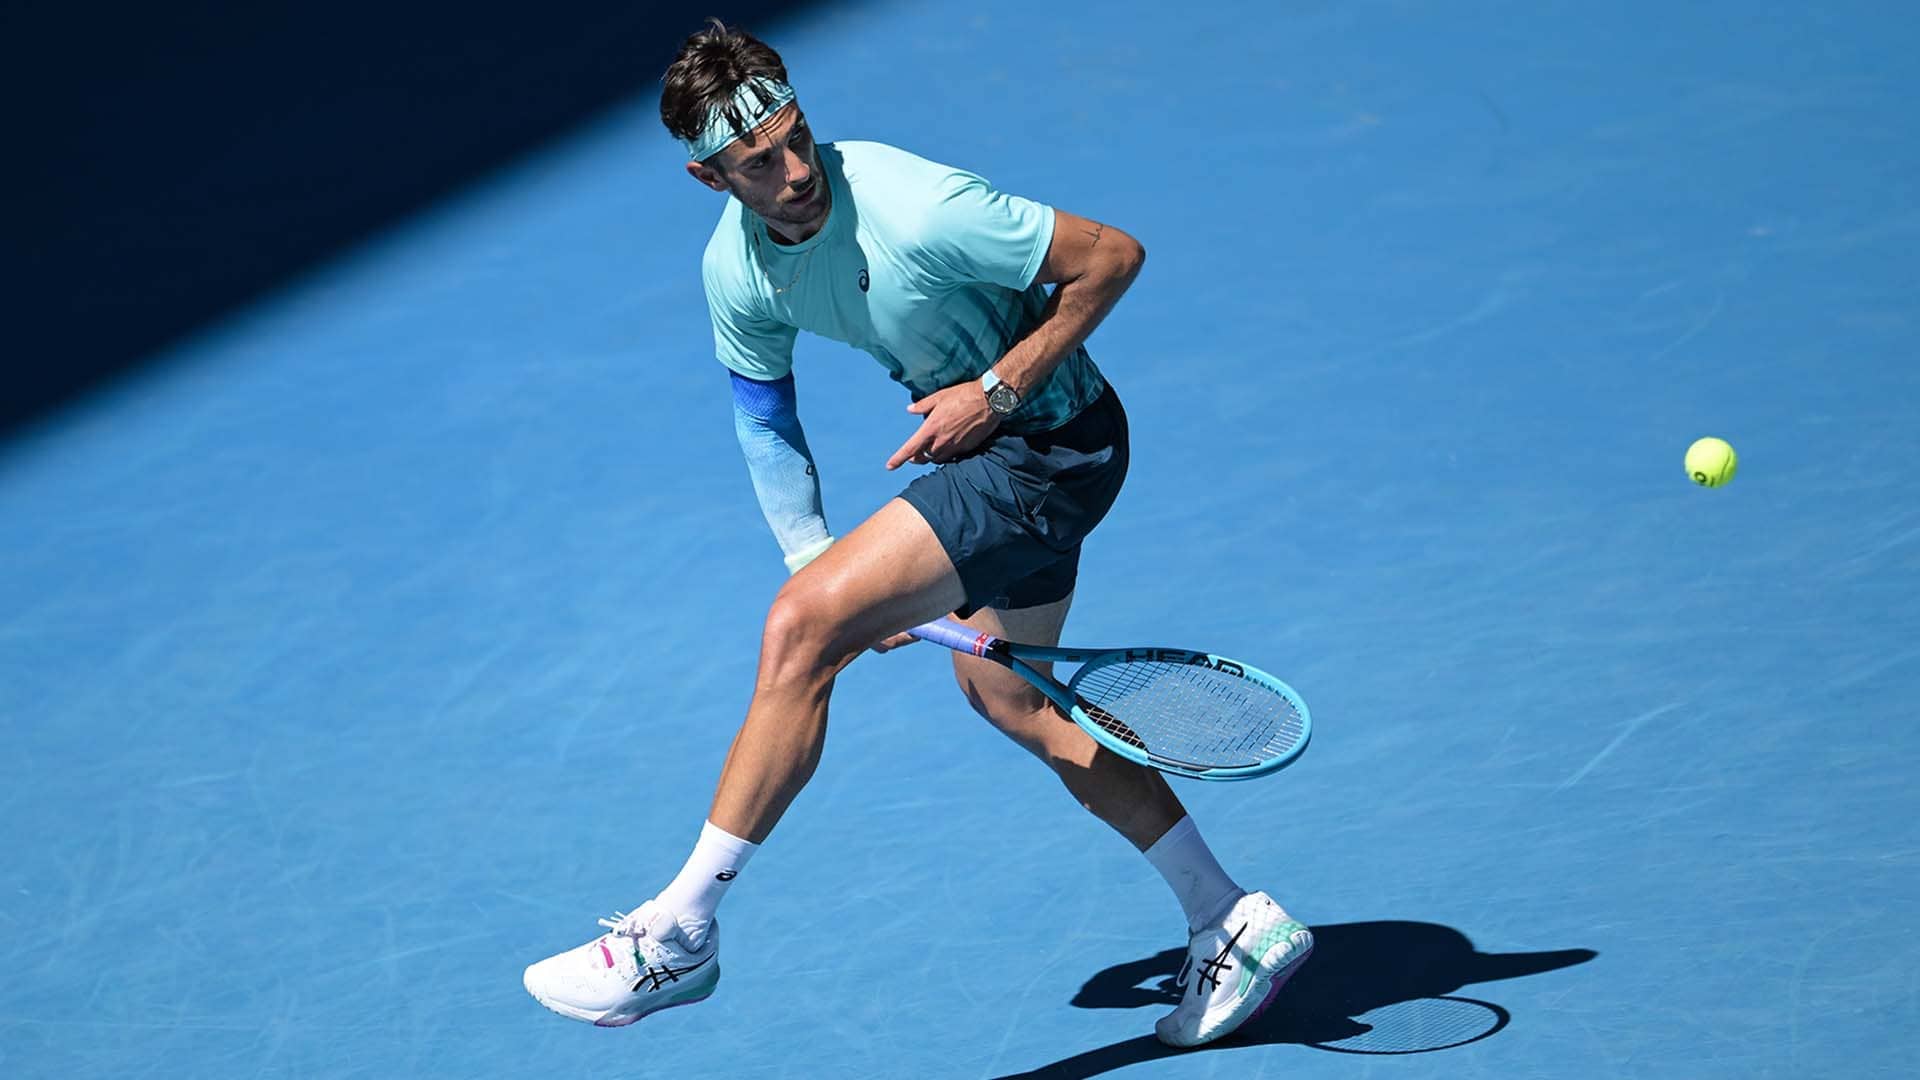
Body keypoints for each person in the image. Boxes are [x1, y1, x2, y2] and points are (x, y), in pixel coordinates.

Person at [521, 19, 1313, 1048]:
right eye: (760, 163)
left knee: (802, 630)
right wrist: (818, 552)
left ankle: (677, 932)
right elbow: (764, 418)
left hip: (1043, 448)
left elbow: (1112, 258)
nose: (797, 172)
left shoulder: (918, 204)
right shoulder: (738, 271)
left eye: (800, 138)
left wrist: (995, 388)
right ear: (709, 176)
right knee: (1009, 697)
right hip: (1011, 455)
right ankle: (1231, 917)